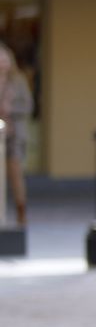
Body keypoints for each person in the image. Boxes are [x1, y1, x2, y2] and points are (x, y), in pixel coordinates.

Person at [0, 41, 32, 227]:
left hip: (15, 132)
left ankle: (21, 210)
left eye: (4, 59)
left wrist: (10, 110)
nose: (2, 63)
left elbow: (28, 105)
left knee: (15, 170)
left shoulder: (18, 81)